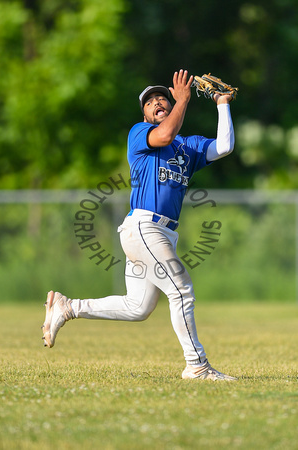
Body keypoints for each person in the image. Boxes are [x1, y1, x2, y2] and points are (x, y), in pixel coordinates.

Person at [42, 69, 237, 381]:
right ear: (145, 115)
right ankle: (197, 366)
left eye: (162, 98)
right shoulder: (140, 134)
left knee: (138, 306)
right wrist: (182, 101)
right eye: (150, 102)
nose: (158, 101)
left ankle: (67, 307)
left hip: (164, 234)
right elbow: (164, 135)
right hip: (145, 227)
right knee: (182, 290)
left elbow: (224, 146)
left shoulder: (188, 148)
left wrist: (222, 104)